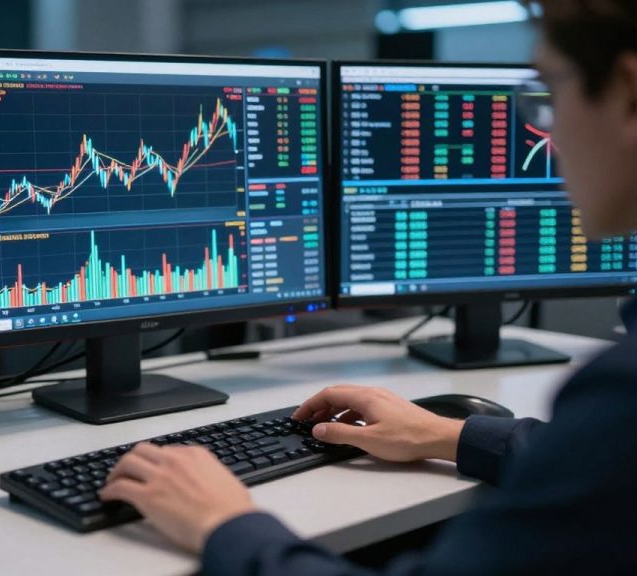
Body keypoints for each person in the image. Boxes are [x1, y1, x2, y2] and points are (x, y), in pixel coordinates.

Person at [99, 1, 637, 573]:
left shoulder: (619, 393)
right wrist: (450, 435)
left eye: (550, 89)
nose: (548, 135)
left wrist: (225, 525)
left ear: (628, 93)